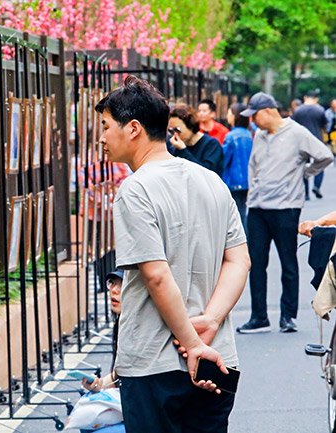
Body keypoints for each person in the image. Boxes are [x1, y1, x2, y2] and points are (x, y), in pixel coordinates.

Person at [97, 75, 250, 432]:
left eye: (106, 126)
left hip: (156, 362)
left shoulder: (135, 189)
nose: (102, 137)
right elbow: (239, 260)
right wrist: (210, 322)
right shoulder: (210, 180)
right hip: (218, 359)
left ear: (133, 128)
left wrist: (191, 344)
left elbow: (156, 275)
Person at [236, 92, 333, 334]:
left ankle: (288, 316)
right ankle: (259, 316)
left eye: (255, 115)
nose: (253, 121)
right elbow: (253, 165)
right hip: (258, 208)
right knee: (256, 263)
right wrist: (253, 188)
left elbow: (325, 156)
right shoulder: (259, 134)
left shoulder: (297, 132)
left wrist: (303, 174)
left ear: (268, 111)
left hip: (286, 208)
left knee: (288, 262)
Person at [82, 270, 124, 394]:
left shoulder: (144, 329)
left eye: (122, 284)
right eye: (112, 283)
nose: (114, 290)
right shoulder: (121, 324)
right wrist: (98, 384)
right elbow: (120, 375)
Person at [167, 104, 224, 177]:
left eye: (177, 130)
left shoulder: (212, 145)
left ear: (190, 126)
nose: (175, 135)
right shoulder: (174, 146)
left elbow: (206, 175)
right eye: (171, 131)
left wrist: (183, 150)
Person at [222, 103, 253, 231]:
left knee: (236, 217)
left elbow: (223, 159)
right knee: (242, 213)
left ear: (236, 116)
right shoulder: (247, 134)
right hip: (245, 181)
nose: (227, 116)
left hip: (233, 181)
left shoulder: (231, 136)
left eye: (229, 113)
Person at [293, 90, 327, 199]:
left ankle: (305, 192)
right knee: (321, 162)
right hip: (317, 139)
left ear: (304, 98)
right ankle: (316, 186)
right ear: (316, 99)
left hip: (301, 141)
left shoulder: (298, 110)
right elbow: (324, 125)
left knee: (302, 165)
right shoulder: (320, 110)